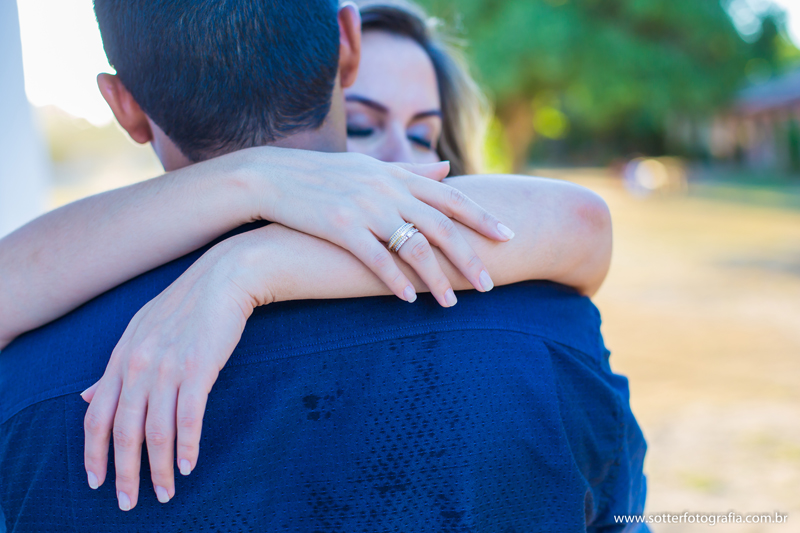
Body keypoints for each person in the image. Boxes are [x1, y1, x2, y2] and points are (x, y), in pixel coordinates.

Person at [0, 1, 647, 530]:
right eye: (368, 124)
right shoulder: (550, 329)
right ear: (348, 43)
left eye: (423, 135)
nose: (397, 164)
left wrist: (247, 260)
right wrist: (253, 188)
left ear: (123, 104)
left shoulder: (29, 386)